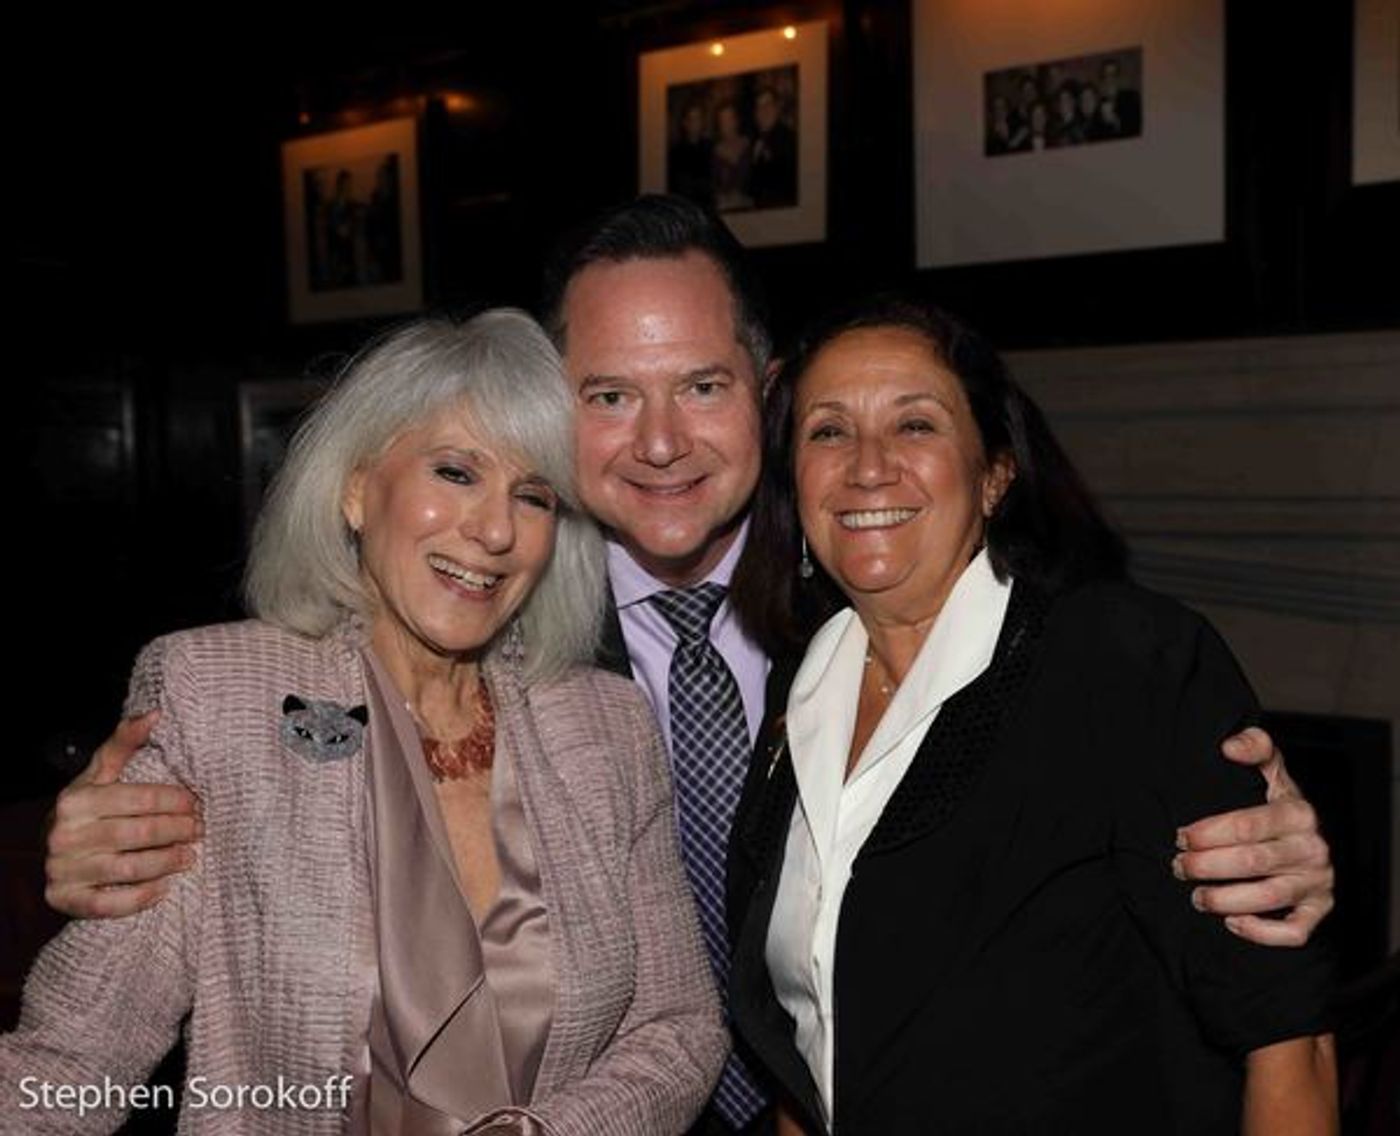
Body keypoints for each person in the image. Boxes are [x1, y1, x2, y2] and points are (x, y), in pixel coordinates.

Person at [43, 198, 1337, 1133]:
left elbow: (1184, 908)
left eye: (703, 387)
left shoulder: (860, 599)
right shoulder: (527, 648)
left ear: (767, 397)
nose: (659, 443)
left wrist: (1276, 850)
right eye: (606, 397)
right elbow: (94, 1038)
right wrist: (103, 846)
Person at [4, 311, 727, 1133]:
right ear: (356, 489)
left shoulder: (608, 726)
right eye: (456, 473)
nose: (494, 531)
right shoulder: (218, 698)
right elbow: (72, 1058)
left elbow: (679, 1029)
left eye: (532, 496)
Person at [726, 296, 1337, 1134]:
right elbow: (812, 1042)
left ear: (995, 475)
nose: (868, 466)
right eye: (828, 431)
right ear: (795, 479)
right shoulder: (799, 690)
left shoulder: (1124, 660)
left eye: (916, 426)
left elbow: (1288, 1041)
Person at [749, 87, 797, 209]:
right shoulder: (753, 141)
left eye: (768, 105)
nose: (763, 111)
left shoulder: (789, 138)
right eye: (759, 107)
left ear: (777, 108)